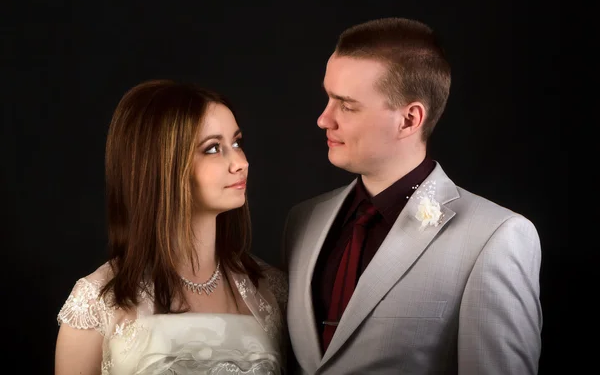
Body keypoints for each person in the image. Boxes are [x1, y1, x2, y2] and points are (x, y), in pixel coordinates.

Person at [282, 18, 542, 374]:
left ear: (409, 119)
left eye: (347, 105)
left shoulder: (495, 236)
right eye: (328, 98)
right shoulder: (304, 220)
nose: (324, 119)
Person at [55, 80, 288, 375]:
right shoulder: (96, 302)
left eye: (237, 143)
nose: (241, 162)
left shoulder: (271, 290)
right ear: (161, 165)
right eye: (213, 148)